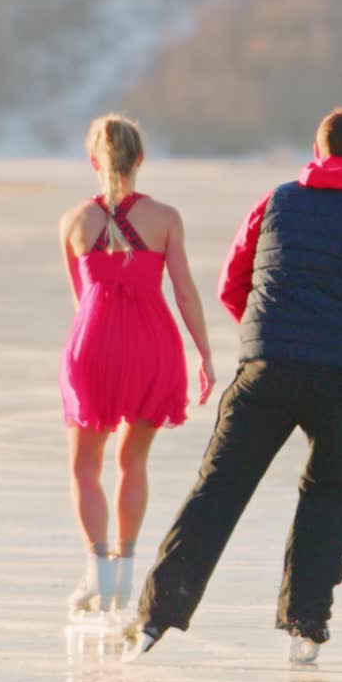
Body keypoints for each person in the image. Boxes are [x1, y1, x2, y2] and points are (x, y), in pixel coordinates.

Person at [123, 107, 342, 663]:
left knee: (219, 488)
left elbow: (234, 282)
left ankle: (156, 619)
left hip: (264, 371)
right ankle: (306, 625)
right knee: (325, 492)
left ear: (316, 147)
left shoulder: (274, 202)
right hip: (337, 380)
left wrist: (263, 339)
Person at [59, 114, 215, 619]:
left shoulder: (74, 222)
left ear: (93, 161)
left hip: (95, 345)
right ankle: (124, 573)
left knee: (86, 465)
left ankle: (96, 573)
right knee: (134, 461)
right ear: (140, 159)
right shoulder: (166, 217)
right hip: (152, 345)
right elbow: (185, 293)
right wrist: (205, 355)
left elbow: (81, 299)